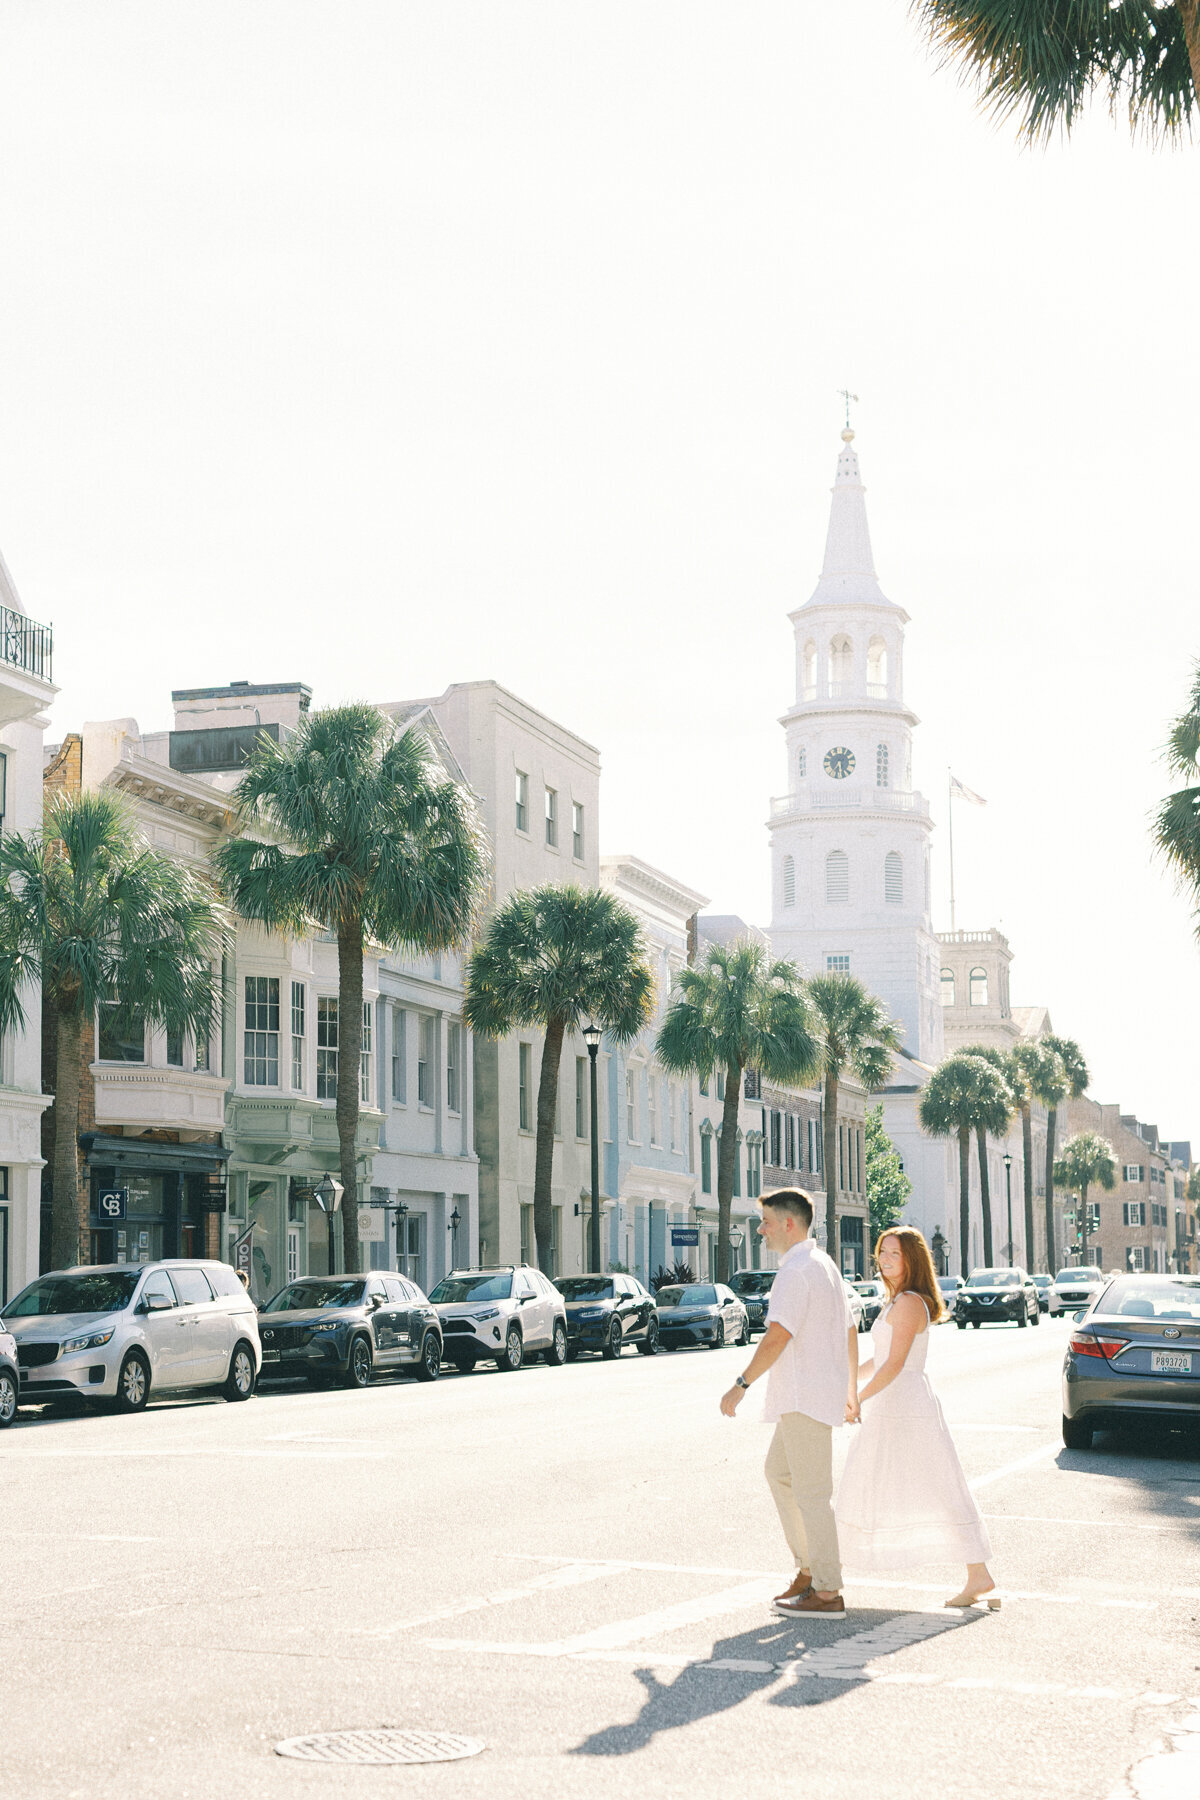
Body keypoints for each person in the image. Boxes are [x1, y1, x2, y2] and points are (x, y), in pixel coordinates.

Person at [837, 1225, 999, 1610]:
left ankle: (979, 1574)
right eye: (882, 1251)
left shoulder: (909, 1302)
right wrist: (848, 1380)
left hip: (905, 1403)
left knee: (935, 1484)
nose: (886, 1259)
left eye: (895, 1253)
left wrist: (858, 1399)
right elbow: (881, 1359)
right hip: (895, 1400)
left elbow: (895, 1365)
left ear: (912, 1259)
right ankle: (829, 1571)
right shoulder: (896, 1300)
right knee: (870, 1479)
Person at [720, 1188, 857, 1617]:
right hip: (809, 1396)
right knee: (778, 1473)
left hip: (805, 1397)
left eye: (766, 1222)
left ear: (789, 1224)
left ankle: (827, 1590)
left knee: (812, 1495)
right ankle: (808, 1568)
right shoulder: (822, 1264)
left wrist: (741, 1384)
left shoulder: (797, 1272)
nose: (761, 1230)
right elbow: (849, 1329)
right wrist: (848, 1388)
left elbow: (778, 1334)